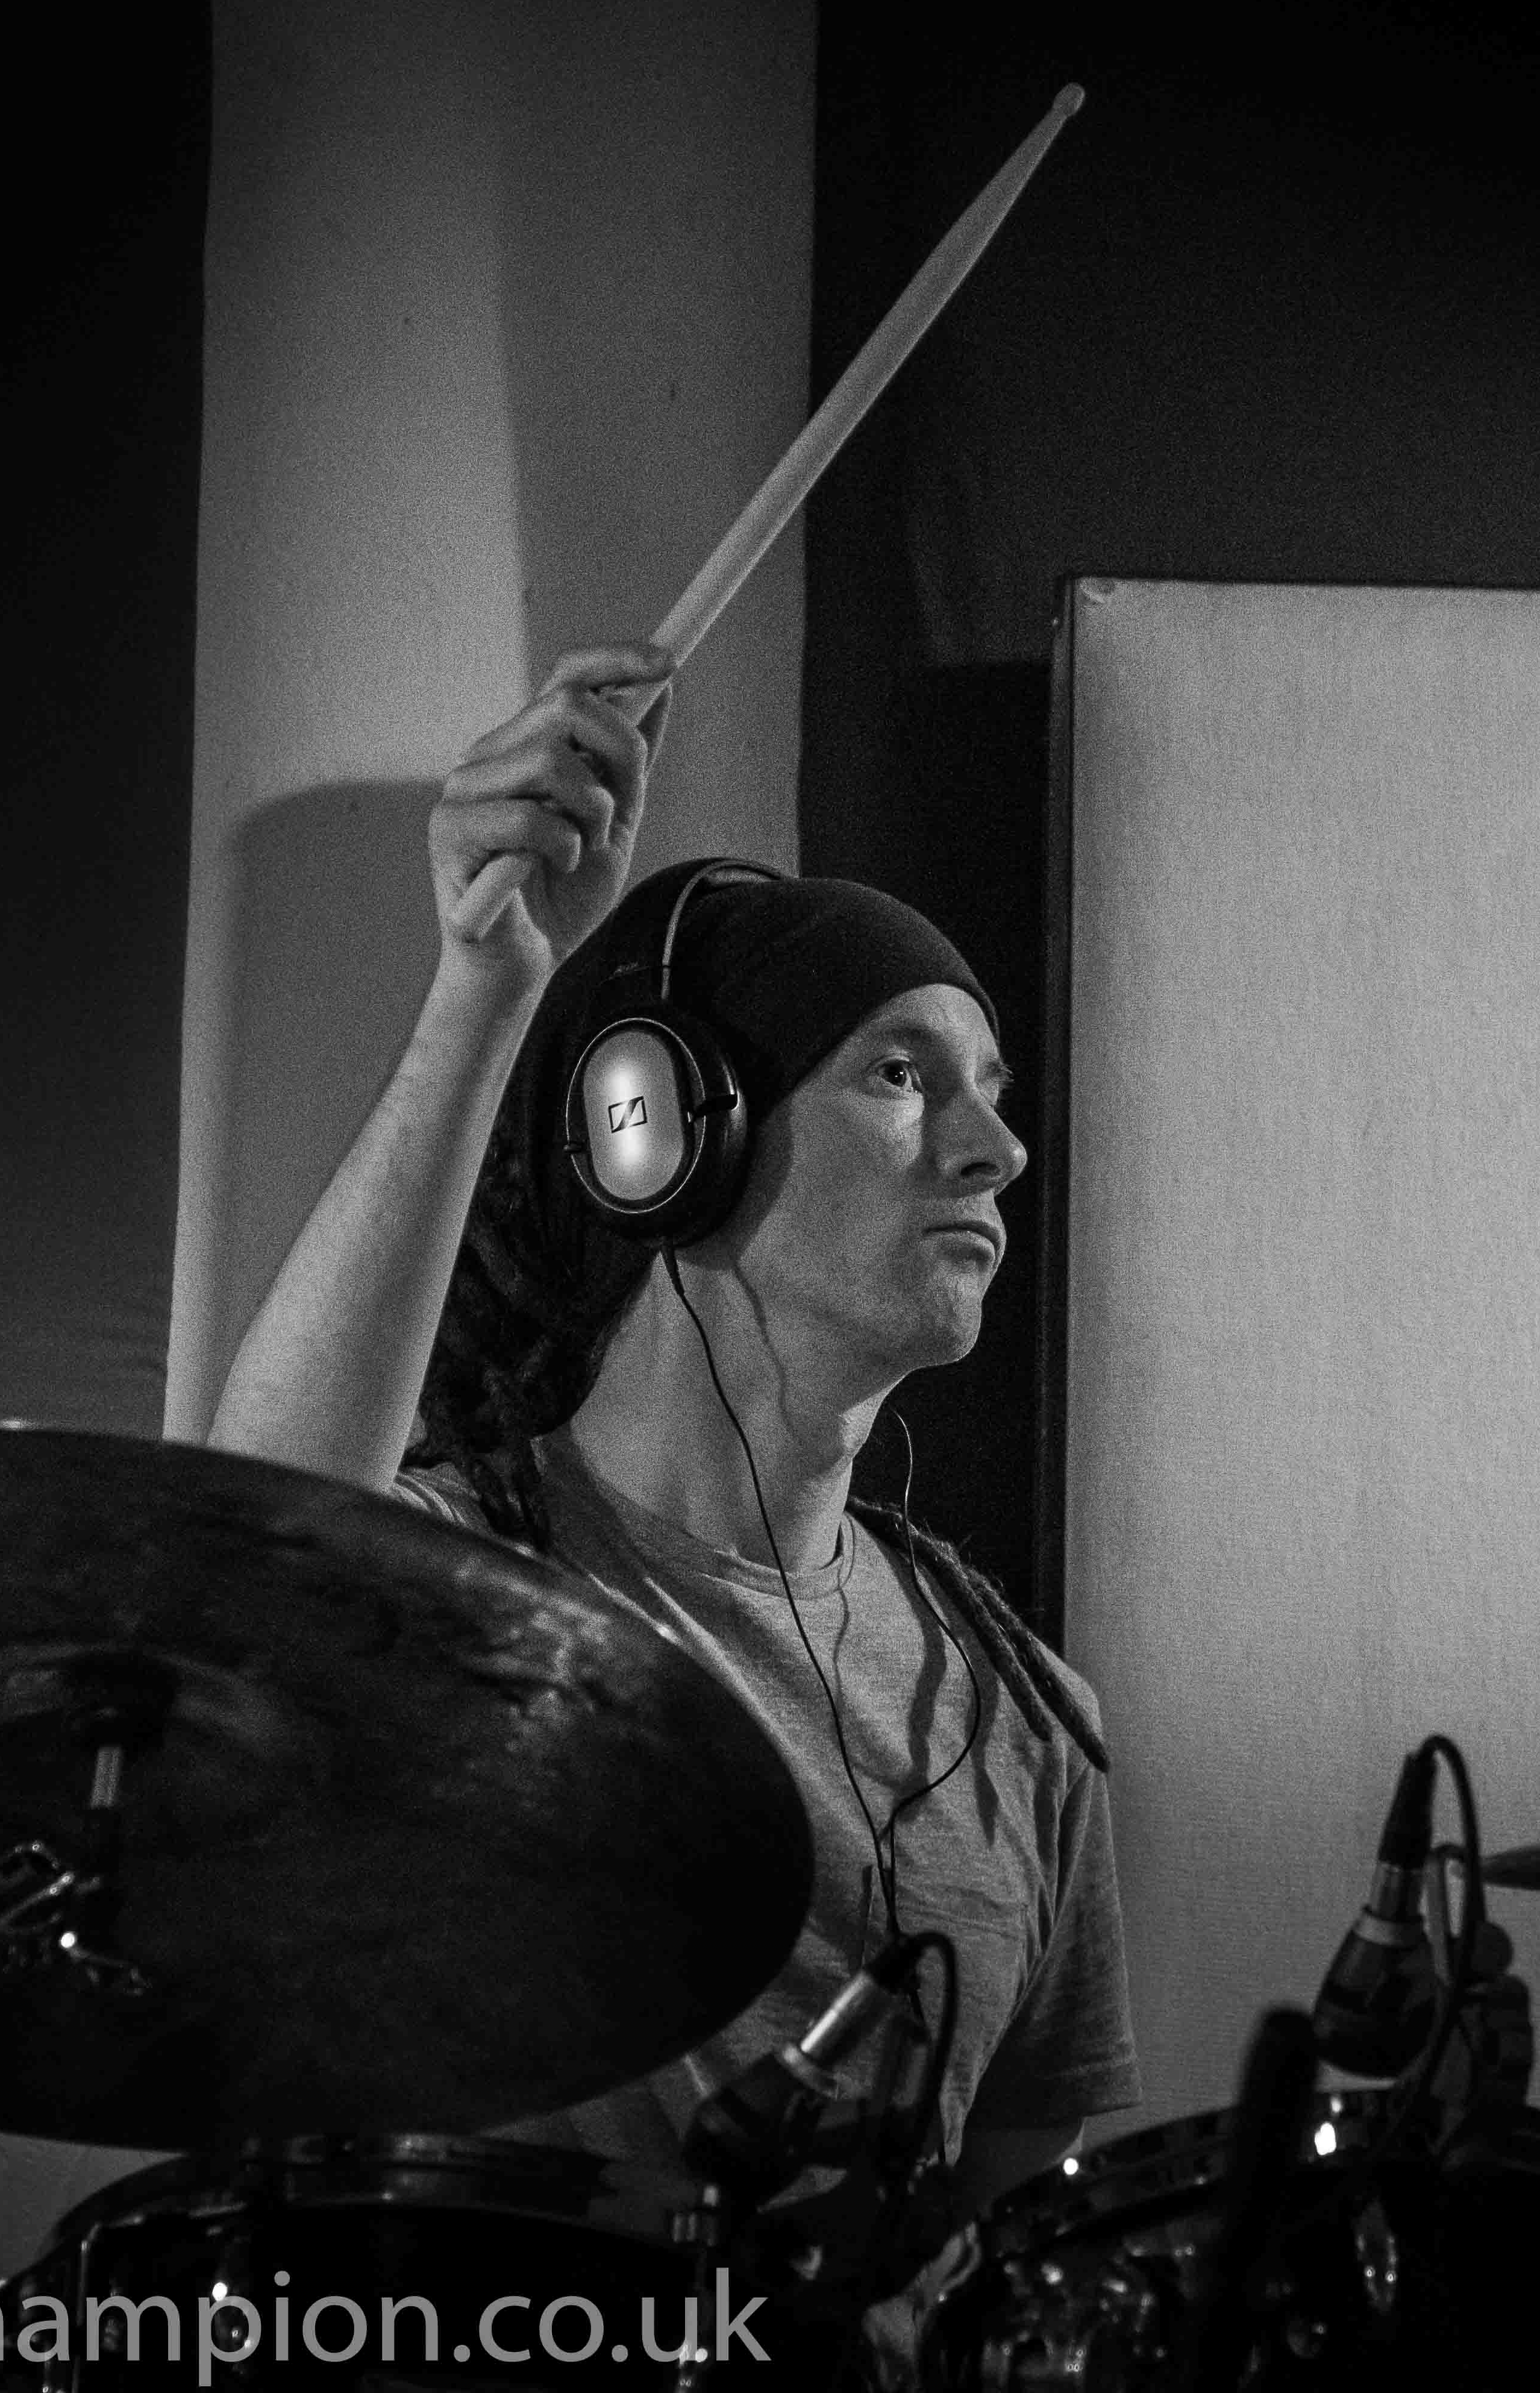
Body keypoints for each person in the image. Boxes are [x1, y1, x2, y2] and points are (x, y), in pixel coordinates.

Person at [207, 642, 1136, 2307]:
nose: (996, 1150)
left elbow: (1015, 2265)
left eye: (991, 1095)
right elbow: (237, 1577)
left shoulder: (1026, 1719)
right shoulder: (450, 1580)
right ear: (659, 1136)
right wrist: (485, 988)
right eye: (902, 1076)